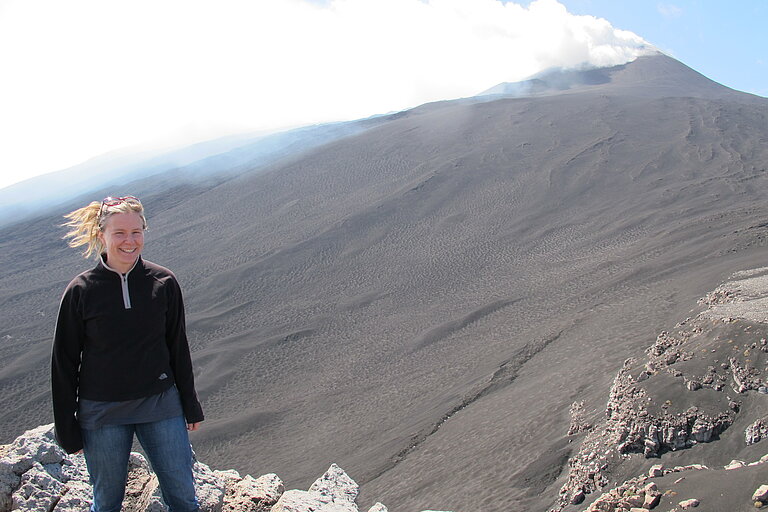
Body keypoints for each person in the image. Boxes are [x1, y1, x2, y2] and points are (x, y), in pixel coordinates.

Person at [51, 195, 204, 512]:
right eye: (119, 232)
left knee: (183, 498)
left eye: (136, 231)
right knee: (106, 502)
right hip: (102, 413)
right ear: (101, 235)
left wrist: (190, 403)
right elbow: (64, 364)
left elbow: (177, 346)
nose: (129, 241)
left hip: (160, 404)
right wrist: (67, 429)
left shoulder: (163, 282)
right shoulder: (81, 292)